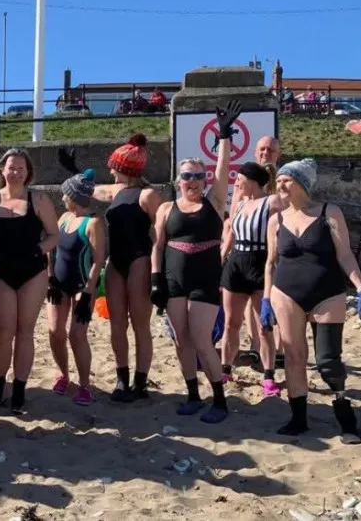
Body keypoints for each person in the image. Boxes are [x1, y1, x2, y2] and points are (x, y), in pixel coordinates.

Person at [262, 158, 361, 444]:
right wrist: (265, 298)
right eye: (279, 180)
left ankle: (344, 414)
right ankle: (298, 418)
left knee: (328, 361)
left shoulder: (329, 212)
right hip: (285, 293)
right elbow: (270, 263)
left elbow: (345, 254)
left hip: (328, 292)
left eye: (286, 180)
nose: (280, 185)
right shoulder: (276, 219)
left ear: (303, 183)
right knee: (294, 357)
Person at [151, 101, 240, 424]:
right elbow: (158, 245)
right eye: (187, 176)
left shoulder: (214, 202)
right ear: (179, 180)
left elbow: (223, 168)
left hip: (205, 279)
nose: (193, 180)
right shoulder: (166, 209)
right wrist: (156, 280)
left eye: (198, 176)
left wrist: (224, 135)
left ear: (205, 179)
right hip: (174, 280)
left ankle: (219, 400)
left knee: (202, 340)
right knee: (182, 341)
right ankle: (192, 394)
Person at [0, 148, 59, 413]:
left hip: (33, 272)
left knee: (25, 330)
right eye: (11, 167)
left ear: (28, 172)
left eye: (21, 168)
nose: (16, 172)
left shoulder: (39, 199)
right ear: (2, 170)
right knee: (4, 331)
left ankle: (19, 392)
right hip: (1, 272)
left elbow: (54, 235)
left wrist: (37, 250)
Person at [87, 134, 163, 402]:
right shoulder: (115, 191)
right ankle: (122, 378)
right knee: (117, 323)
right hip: (116, 260)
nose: (110, 171)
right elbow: (92, 190)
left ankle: (140, 382)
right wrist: (75, 172)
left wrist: (158, 273)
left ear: (125, 168)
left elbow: (160, 234)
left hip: (139, 258)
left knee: (140, 323)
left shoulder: (147, 195)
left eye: (114, 167)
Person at [220, 162, 283, 396]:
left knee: (264, 326)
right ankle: (226, 370)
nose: (236, 182)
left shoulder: (272, 202)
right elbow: (231, 234)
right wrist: (221, 257)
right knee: (231, 323)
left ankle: (268, 376)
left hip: (261, 262)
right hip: (237, 263)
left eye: (240, 178)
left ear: (252, 180)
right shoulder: (239, 204)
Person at [47, 170, 105, 405]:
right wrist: (50, 278)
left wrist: (88, 293)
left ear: (74, 197)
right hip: (59, 284)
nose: (62, 198)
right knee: (55, 331)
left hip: (83, 285)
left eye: (65, 194)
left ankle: (84, 385)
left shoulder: (93, 223)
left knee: (77, 335)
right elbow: (51, 249)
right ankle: (64, 374)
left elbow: (98, 261)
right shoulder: (64, 218)